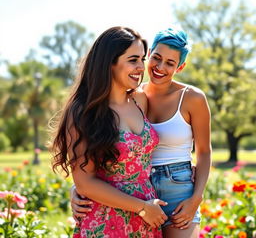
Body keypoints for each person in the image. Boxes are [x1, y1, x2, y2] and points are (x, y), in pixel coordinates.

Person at [71, 26, 212, 238]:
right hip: (137, 192)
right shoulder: (136, 95)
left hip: (176, 189)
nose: (159, 67)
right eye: (155, 58)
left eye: (170, 63)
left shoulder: (189, 98)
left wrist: (196, 197)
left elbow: (204, 151)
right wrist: (79, 189)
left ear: (180, 67)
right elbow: (107, 151)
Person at [50, 26, 168, 238]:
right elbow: (85, 182)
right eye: (133, 60)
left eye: (142, 59)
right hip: (106, 222)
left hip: (147, 220)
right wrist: (141, 207)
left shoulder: (140, 100)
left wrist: (188, 166)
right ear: (109, 63)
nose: (141, 67)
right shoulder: (83, 112)